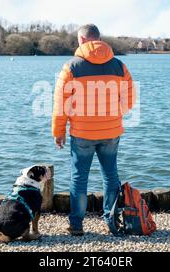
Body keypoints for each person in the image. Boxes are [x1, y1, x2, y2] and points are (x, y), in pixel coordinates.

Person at [52, 24, 136, 236]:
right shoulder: (119, 66)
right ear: (99, 39)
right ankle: (111, 221)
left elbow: (60, 104)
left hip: (82, 133)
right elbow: (130, 100)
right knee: (111, 176)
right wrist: (114, 113)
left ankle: (77, 225)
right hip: (111, 131)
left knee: (79, 177)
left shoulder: (71, 67)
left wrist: (58, 131)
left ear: (81, 40)